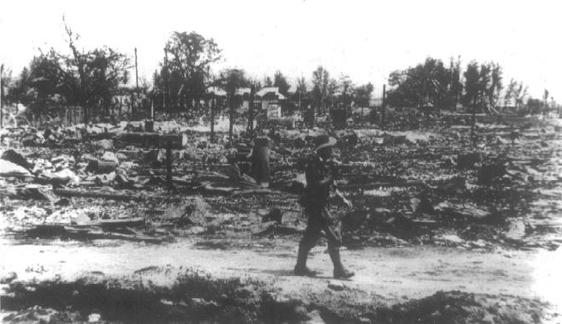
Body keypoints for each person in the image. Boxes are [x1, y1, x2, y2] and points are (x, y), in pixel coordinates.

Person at [294, 134, 355, 279]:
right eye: (330, 149)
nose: (332, 151)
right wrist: (330, 177)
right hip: (316, 205)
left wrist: (343, 199)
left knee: (311, 236)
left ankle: (300, 267)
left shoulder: (326, 165)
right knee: (333, 235)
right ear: (323, 150)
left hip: (322, 205)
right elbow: (316, 185)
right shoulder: (313, 166)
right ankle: (339, 270)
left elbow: (332, 187)